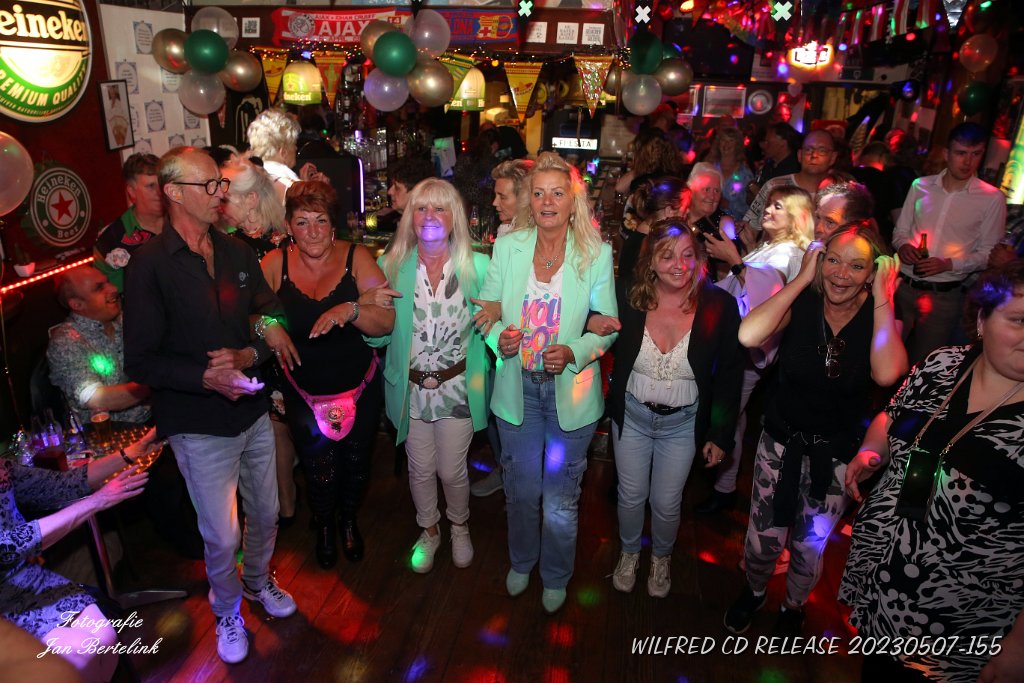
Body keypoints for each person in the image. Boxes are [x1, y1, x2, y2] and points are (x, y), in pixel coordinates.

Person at [124, 147, 298, 665]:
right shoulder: (149, 266)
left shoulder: (237, 252)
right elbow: (140, 361)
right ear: (174, 192)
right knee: (222, 535)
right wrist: (204, 376)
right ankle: (226, 610)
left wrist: (251, 352)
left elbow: (271, 312)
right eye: (210, 186)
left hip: (251, 410)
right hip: (197, 422)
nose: (221, 194)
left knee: (266, 513)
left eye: (221, 184)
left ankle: (257, 582)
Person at [841, 261, 1024, 683]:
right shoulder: (942, 364)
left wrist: (1019, 645)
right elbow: (892, 417)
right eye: (1019, 320)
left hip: (958, 616)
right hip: (885, 578)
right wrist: (871, 452)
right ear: (982, 320)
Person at [723, 224, 907, 636]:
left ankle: (793, 605)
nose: (842, 274)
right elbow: (748, 334)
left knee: (809, 545)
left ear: (873, 271)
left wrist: (884, 295)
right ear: (820, 261)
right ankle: (755, 590)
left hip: (837, 454)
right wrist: (802, 278)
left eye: (857, 266)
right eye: (833, 261)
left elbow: (887, 373)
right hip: (781, 442)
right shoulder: (803, 301)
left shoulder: (878, 314)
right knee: (763, 539)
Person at [472, 152, 618, 614]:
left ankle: (555, 575)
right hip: (518, 390)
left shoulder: (595, 253)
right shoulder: (508, 247)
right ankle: (522, 561)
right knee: (521, 492)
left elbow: (607, 326)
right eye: (539, 193)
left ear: (573, 202)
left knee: (560, 499)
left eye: (557, 193)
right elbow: (487, 311)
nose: (548, 201)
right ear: (529, 201)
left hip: (569, 394)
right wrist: (499, 339)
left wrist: (574, 351)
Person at [261, 181, 393, 569]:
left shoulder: (358, 257)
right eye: (302, 222)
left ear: (333, 224)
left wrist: (349, 310)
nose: (313, 231)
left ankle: (348, 520)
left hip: (359, 387)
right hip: (304, 390)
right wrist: (268, 325)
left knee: (356, 464)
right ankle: (323, 524)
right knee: (318, 468)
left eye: (320, 220)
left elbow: (385, 320)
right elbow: (247, 313)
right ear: (289, 226)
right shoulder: (274, 264)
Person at [607, 219, 742, 598]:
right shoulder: (628, 297)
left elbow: (730, 374)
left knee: (666, 503)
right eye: (667, 256)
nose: (679, 265)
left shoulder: (719, 305)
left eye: (687, 255)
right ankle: (629, 553)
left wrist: (721, 434)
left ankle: (661, 557)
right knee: (630, 496)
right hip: (632, 416)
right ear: (650, 261)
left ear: (698, 258)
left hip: (682, 425)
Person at [366, 178, 491, 572]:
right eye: (421, 208)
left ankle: (459, 524)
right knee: (419, 468)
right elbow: (378, 337)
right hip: (410, 389)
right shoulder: (390, 266)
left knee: (451, 469)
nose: (430, 216)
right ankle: (429, 529)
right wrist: (366, 312)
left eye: (440, 208)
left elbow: (498, 324)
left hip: (459, 387)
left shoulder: (479, 267)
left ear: (455, 218)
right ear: (410, 216)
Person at [1, 431, 158, 682]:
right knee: (80, 654)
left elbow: (61, 484)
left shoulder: (3, 466)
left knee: (105, 637)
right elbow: (7, 546)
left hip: (25, 580)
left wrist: (130, 453)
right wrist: (96, 502)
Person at [698, 185, 814, 513]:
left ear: (797, 217)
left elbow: (766, 298)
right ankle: (723, 486)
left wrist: (735, 259)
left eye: (778, 206)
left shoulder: (789, 252)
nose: (768, 210)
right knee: (734, 416)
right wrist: (747, 251)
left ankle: (722, 489)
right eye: (769, 204)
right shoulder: (774, 246)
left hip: (747, 351)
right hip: (738, 345)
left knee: (727, 415)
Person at [219, 158, 297, 524]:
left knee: (293, 428)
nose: (219, 202)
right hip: (253, 349)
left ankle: (295, 502)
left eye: (227, 195)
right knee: (273, 428)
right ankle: (282, 507)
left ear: (251, 200)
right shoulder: (224, 247)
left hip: (293, 345)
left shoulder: (288, 239)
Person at [892, 122, 1007, 366]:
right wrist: (903, 247)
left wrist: (949, 264)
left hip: (945, 296)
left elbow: (989, 253)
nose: (968, 161)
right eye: (961, 153)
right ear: (946, 153)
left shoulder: (991, 198)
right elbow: (900, 231)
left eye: (975, 154)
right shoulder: (920, 185)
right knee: (885, 355)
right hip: (903, 286)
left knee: (926, 364)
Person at [48, 265, 150, 424]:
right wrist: (156, 382)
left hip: (154, 416)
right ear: (77, 304)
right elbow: (94, 398)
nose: (114, 288)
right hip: (113, 432)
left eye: (108, 282)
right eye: (99, 288)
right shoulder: (65, 342)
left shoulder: (125, 319)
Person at [743, 129, 837, 235]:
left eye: (822, 150)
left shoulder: (839, 194)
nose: (814, 155)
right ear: (799, 155)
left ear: (833, 158)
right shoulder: (775, 186)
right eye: (808, 149)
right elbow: (749, 228)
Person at [93, 153, 165, 293]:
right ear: (131, 191)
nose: (160, 192)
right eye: (151, 186)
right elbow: (113, 297)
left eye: (162, 184)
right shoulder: (110, 240)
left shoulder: (183, 221)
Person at [247, 108, 324, 202]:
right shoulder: (291, 187)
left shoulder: (248, 179)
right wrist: (320, 189)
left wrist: (304, 184)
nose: (296, 148)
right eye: (294, 144)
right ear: (283, 153)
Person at [686, 164, 741, 280]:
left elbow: (729, 273)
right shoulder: (677, 216)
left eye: (717, 191)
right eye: (706, 189)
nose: (712, 196)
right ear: (691, 190)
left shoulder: (724, 224)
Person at [747, 122, 802, 205]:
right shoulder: (768, 165)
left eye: (768, 142)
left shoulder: (794, 170)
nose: (763, 146)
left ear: (782, 143)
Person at [708, 126, 754, 220]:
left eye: (731, 141)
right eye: (723, 140)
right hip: (708, 221)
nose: (726, 144)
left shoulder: (744, 174)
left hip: (734, 224)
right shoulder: (710, 168)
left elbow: (752, 209)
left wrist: (729, 204)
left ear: (737, 145)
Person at [491, 158, 535, 240]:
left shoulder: (533, 237)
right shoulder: (506, 228)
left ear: (524, 198)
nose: (494, 203)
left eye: (502, 197)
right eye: (495, 195)